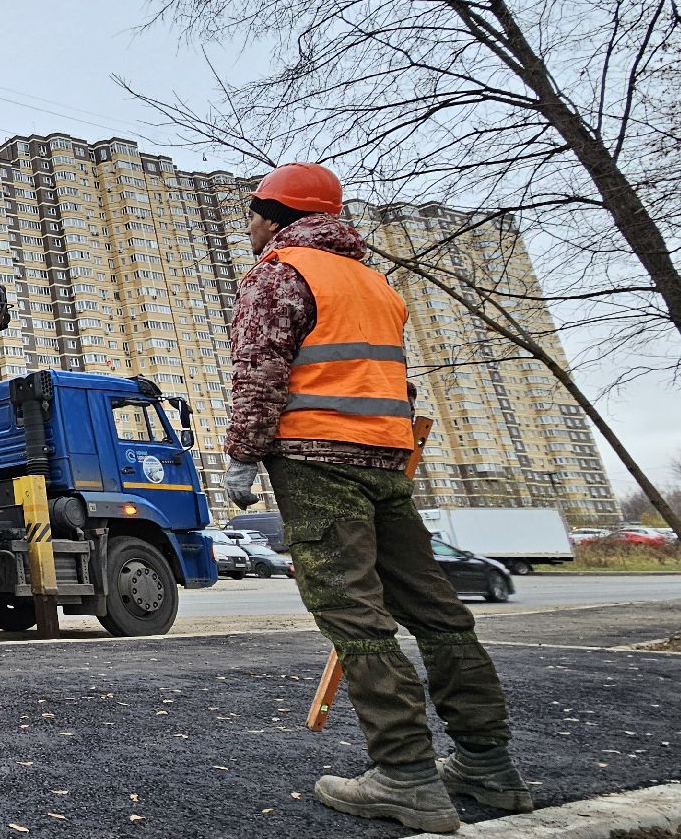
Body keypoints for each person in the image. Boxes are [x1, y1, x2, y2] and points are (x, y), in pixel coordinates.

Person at [223, 163, 528, 834]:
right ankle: (488, 765)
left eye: (252, 214)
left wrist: (242, 455)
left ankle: (407, 777)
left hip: (316, 461)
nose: (248, 227)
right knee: (438, 611)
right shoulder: (370, 282)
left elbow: (261, 370)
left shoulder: (280, 271)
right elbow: (390, 379)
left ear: (275, 214)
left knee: (353, 615)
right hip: (387, 462)